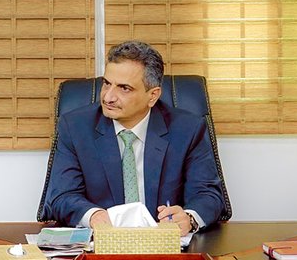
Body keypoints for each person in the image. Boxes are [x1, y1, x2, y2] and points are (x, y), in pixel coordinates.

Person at [40, 41, 224, 233]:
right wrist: (94, 216)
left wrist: (188, 218)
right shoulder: (75, 127)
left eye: (124, 88)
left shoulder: (188, 129)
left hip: (164, 243)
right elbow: (61, 196)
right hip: (103, 242)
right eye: (106, 83)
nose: (108, 97)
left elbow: (208, 194)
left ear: (153, 96)